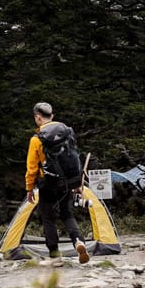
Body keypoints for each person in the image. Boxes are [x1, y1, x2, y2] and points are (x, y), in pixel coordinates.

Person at [26, 102, 90, 263]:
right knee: (67, 213)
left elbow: (32, 168)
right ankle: (78, 241)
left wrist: (29, 188)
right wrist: (76, 182)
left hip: (48, 183)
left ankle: (55, 255)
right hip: (68, 182)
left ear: (37, 117)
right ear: (52, 116)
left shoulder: (37, 139)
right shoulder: (67, 131)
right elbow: (73, 155)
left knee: (48, 218)